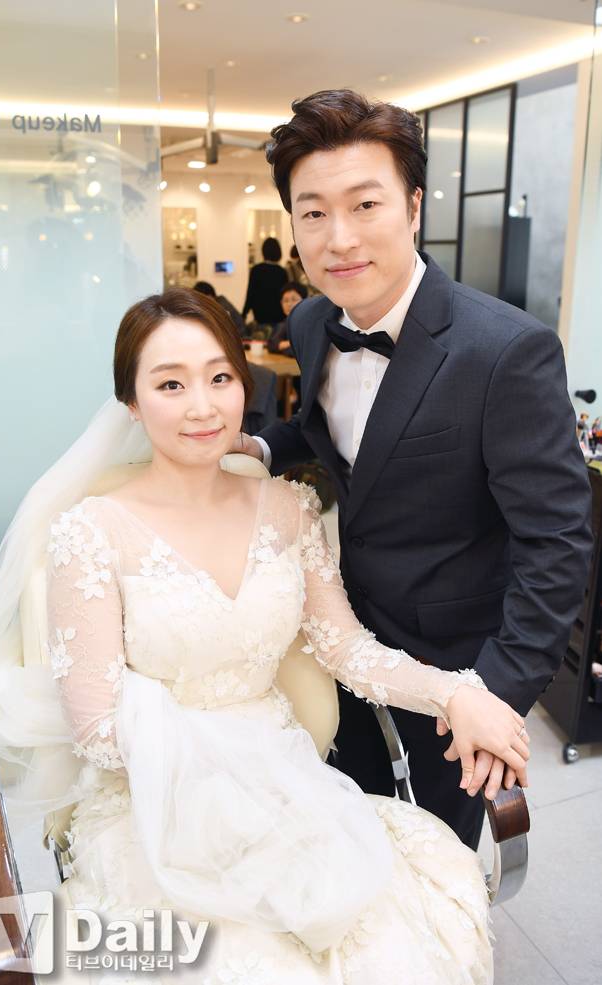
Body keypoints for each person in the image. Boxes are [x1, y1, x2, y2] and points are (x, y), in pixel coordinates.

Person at [0, 288, 533, 983]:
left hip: (290, 784)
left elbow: (344, 647)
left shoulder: (288, 507)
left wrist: (455, 693)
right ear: (132, 402)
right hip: (154, 800)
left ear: (244, 385)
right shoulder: (90, 532)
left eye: (220, 377)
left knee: (393, 943)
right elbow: (96, 730)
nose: (202, 406)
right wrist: (231, 786)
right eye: (170, 384)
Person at [235, 88, 592, 850]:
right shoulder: (311, 319)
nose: (340, 238)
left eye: (366, 204)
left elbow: (556, 545)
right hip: (339, 634)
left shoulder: (505, 352)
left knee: (428, 859)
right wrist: (262, 449)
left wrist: (493, 693)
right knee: (339, 829)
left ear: (415, 206)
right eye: (313, 212)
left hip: (453, 666)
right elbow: (328, 429)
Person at [242, 236, 288, 327]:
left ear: (263, 251)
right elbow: (284, 295)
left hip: (260, 314)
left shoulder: (256, 270)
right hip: (278, 314)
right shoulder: (282, 272)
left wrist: (244, 313)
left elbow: (250, 293)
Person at [268, 281, 308, 354]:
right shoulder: (284, 323)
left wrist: (285, 346)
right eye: (286, 301)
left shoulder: (311, 323)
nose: (289, 304)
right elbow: (272, 344)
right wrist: (292, 344)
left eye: (294, 299)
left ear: (306, 301)